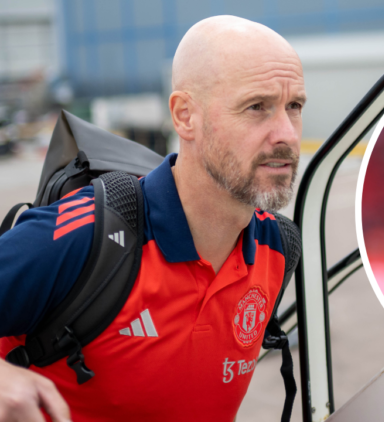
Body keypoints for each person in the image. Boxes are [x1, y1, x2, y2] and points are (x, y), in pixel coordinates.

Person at [0, 15, 305, 421]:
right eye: (257, 107)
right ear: (184, 116)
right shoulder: (89, 235)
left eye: (294, 106)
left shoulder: (279, 249)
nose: (286, 133)